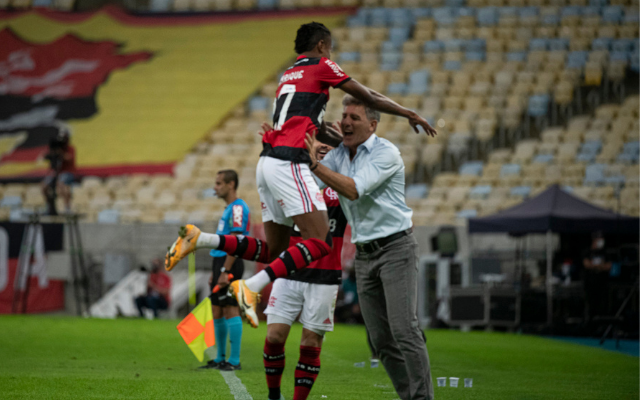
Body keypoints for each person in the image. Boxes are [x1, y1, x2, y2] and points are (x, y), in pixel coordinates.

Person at [164, 21, 437, 329]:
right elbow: (368, 96)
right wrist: (409, 113)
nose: (331, 53)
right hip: (289, 162)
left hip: (267, 161)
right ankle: (250, 288)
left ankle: (200, 239)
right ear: (322, 45)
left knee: (274, 250)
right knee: (321, 241)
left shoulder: (289, 74)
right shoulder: (321, 65)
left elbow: (307, 121)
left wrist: (328, 137)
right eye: (330, 47)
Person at [305, 94, 434, 400]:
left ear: (373, 125)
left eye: (355, 117)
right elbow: (314, 184)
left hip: (396, 249)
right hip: (364, 255)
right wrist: (306, 150)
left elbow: (352, 189)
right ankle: (409, 396)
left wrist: (314, 163)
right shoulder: (340, 155)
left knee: (404, 330)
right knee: (380, 340)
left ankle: (422, 399)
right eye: (345, 116)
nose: (346, 122)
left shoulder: (386, 153)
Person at [261, 126, 347, 400]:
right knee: (274, 337)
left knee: (310, 343)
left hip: (324, 275)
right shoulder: (291, 178)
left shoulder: (342, 183)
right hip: (290, 269)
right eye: (319, 141)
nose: (322, 146)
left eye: (330, 145)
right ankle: (273, 396)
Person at [198, 170, 251, 371]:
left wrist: (225, 270)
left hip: (230, 263)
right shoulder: (229, 208)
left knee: (230, 308)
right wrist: (217, 269)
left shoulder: (238, 208)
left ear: (231, 185)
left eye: (219, 183)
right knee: (217, 310)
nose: (215, 187)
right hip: (220, 262)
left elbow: (236, 242)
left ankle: (234, 360)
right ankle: (221, 357)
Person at [41, 126, 76, 215]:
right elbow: (45, 157)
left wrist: (61, 153)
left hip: (67, 172)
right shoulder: (54, 149)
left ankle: (67, 208)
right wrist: (53, 153)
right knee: (44, 187)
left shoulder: (70, 149)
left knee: (61, 185)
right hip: (56, 172)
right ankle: (48, 206)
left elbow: (69, 158)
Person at [583, 231, 613, 318]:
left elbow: (608, 266)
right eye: (599, 239)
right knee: (592, 306)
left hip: (602, 283)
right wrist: (600, 266)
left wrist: (596, 266)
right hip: (591, 284)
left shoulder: (605, 252)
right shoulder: (588, 252)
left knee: (603, 306)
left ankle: (602, 324)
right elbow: (586, 264)